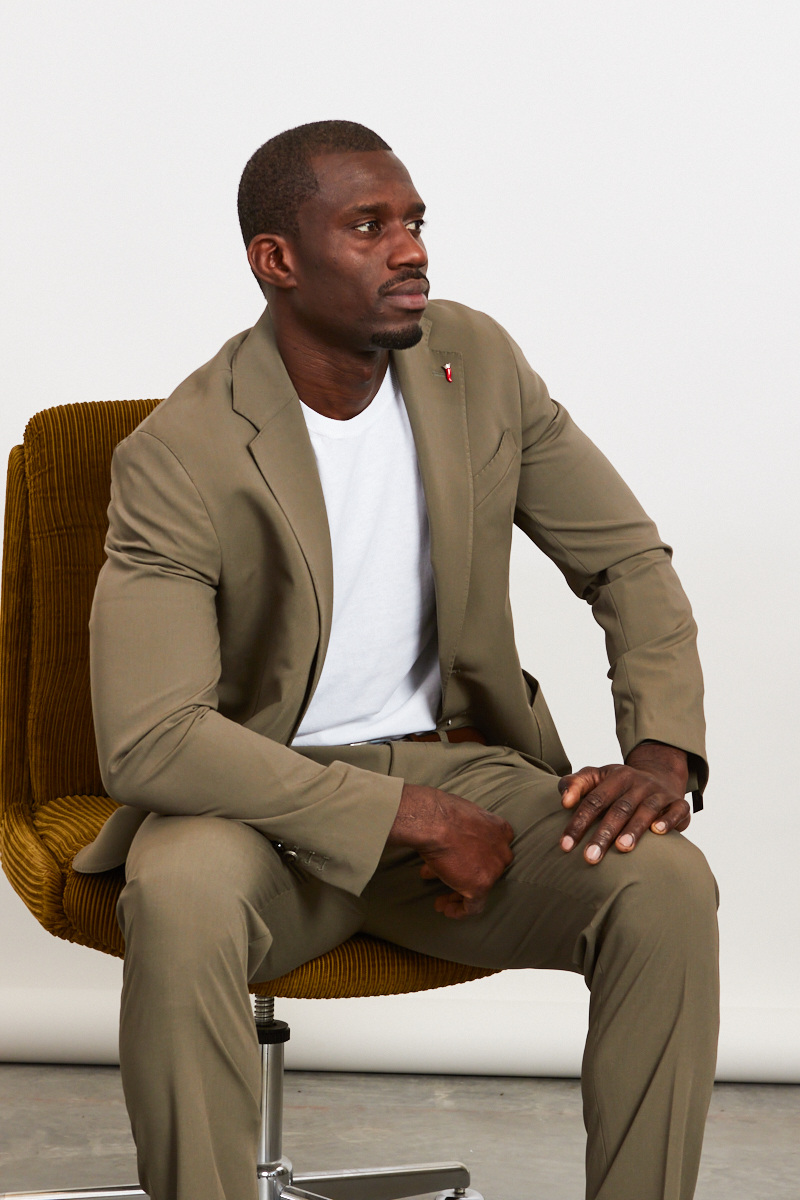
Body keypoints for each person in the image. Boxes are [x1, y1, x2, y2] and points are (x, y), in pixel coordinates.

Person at [75, 120, 719, 1200]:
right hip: (262, 804)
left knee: (664, 885)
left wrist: (661, 751)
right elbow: (152, 742)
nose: (411, 251)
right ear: (277, 260)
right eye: (367, 227)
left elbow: (625, 561)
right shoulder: (181, 453)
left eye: (414, 222)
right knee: (180, 894)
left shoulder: (478, 365)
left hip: (464, 768)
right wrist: (406, 818)